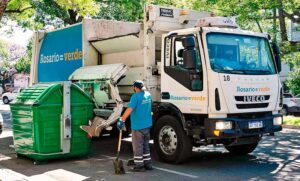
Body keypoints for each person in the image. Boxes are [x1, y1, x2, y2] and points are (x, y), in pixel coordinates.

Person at [117, 80, 153, 172]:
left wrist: (122, 119)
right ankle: (148, 164)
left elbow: (129, 109)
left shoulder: (135, 96)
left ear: (135, 87)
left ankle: (139, 165)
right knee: (145, 145)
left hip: (138, 125)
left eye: (134, 87)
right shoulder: (148, 95)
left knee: (138, 146)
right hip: (147, 124)